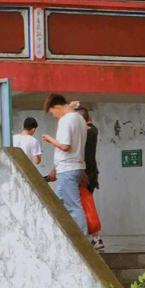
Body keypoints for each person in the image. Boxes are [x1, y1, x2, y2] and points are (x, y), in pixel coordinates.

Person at [41, 93, 89, 234]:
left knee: (73, 206)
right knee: (58, 203)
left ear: (57, 107)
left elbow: (65, 146)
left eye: (52, 113)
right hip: (76, 166)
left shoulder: (65, 120)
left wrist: (50, 139)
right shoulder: (79, 118)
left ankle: (82, 241)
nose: (54, 116)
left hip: (67, 168)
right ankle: (62, 235)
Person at [79, 106, 100, 193]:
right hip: (92, 172)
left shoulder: (81, 135)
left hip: (84, 173)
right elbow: (89, 121)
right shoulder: (93, 130)